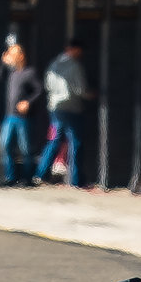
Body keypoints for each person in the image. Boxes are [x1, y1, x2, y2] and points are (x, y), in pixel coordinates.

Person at [37, 36, 94, 187]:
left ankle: (41, 174)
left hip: (55, 109)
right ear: (74, 49)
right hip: (71, 109)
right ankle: (76, 181)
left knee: (54, 141)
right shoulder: (75, 66)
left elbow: (47, 85)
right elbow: (80, 90)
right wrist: (91, 94)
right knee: (75, 143)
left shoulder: (53, 64)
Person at [0, 40, 44, 187]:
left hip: (23, 117)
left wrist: (28, 102)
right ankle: (10, 177)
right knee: (6, 145)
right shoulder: (12, 73)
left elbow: (39, 90)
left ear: (21, 56)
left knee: (25, 148)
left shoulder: (30, 72)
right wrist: (2, 62)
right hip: (9, 116)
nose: (11, 57)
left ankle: (27, 178)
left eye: (14, 54)